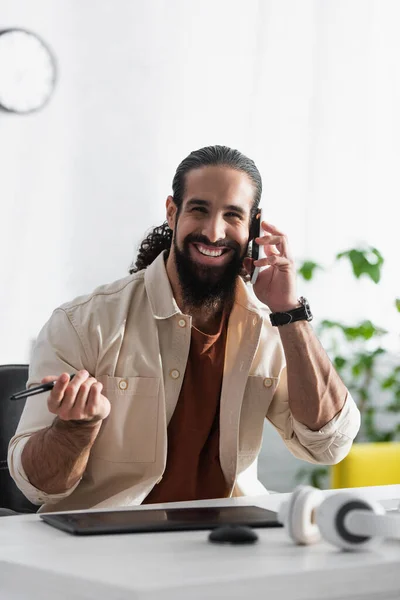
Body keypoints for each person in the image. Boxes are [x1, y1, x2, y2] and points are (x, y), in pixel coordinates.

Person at [8, 145, 360, 512]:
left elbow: (328, 445)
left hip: (228, 541)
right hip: (109, 547)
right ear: (172, 212)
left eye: (232, 215)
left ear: (254, 226)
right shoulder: (83, 324)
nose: (213, 231)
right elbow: (39, 488)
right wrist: (73, 430)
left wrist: (289, 312)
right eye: (199, 210)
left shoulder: (271, 326)